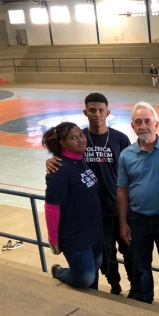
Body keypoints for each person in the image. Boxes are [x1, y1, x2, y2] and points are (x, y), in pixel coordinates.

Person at [46, 93, 132, 296]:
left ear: (108, 112)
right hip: (94, 216)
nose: (97, 114)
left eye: (101, 110)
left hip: (119, 208)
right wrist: (50, 160)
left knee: (128, 252)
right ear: (85, 112)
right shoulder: (79, 138)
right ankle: (114, 287)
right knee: (106, 257)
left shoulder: (120, 139)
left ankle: (136, 289)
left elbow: (132, 170)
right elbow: (63, 158)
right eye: (92, 110)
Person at [117, 101, 159, 311]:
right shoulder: (126, 155)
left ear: (156, 124)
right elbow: (122, 191)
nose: (143, 125)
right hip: (138, 220)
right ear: (133, 126)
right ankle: (145, 303)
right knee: (141, 266)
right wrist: (123, 223)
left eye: (147, 121)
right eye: (138, 122)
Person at [43, 122, 103, 289]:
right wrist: (53, 239)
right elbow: (51, 208)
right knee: (85, 277)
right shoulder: (59, 170)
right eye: (73, 138)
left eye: (81, 135)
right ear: (63, 143)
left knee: (96, 265)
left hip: (94, 230)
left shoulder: (80, 161)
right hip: (75, 235)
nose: (80, 140)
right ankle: (59, 271)